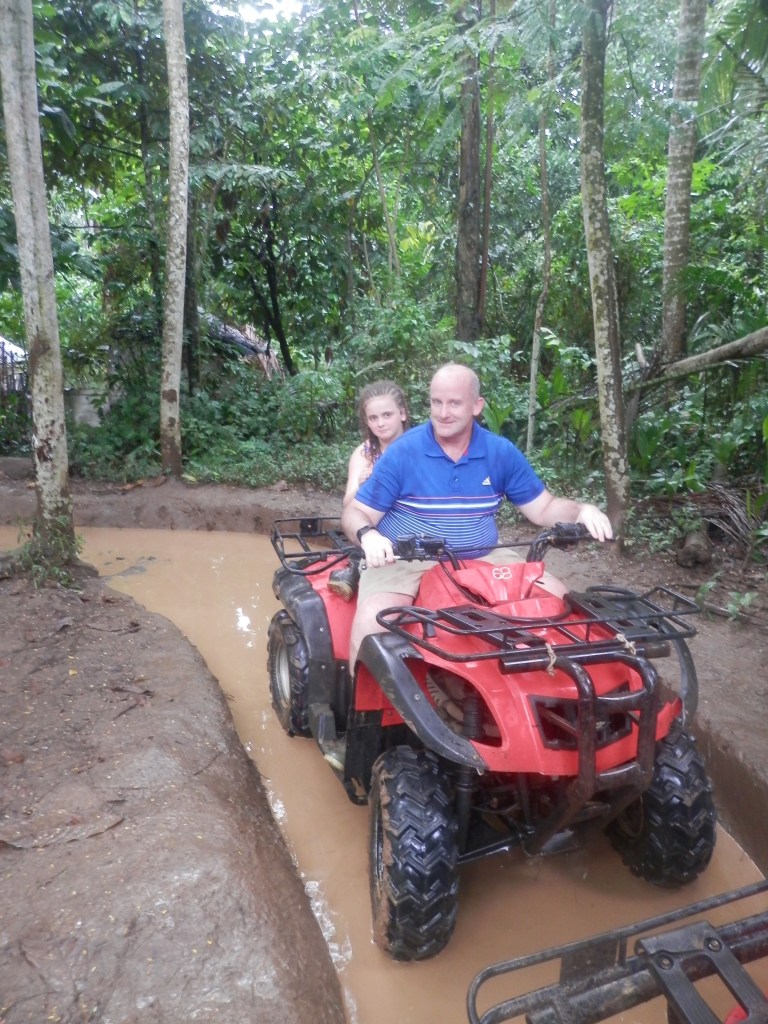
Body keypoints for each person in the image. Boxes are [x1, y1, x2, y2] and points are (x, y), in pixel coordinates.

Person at [341, 362, 613, 665]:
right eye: (436, 402)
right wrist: (369, 535)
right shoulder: (404, 451)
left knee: (560, 602)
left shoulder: (500, 452)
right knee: (373, 621)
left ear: (477, 406)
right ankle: (360, 694)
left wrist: (581, 510)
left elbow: (544, 508)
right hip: (406, 559)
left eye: (454, 403)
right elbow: (356, 512)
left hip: (484, 555)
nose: (443, 413)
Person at [327, 380, 410, 600]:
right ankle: (358, 566)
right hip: (375, 528)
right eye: (373, 418)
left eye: (387, 415)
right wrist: (363, 485)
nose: (381, 423)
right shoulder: (365, 453)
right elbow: (348, 506)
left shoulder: (420, 448)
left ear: (402, 413)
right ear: (367, 421)